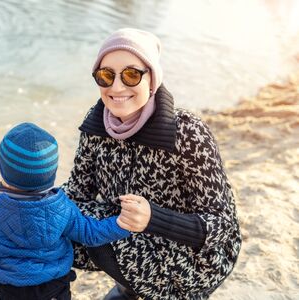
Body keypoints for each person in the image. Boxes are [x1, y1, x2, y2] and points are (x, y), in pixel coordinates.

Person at [62, 28, 242, 299]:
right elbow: (77, 195)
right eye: (106, 75)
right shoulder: (96, 123)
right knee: (47, 223)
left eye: (131, 74)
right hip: (125, 235)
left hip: (194, 256)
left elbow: (222, 226)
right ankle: (125, 288)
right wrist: (26, 200)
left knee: (95, 223)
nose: (117, 87)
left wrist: (154, 218)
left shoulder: (187, 132)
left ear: (152, 79)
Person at [0, 122, 138, 300]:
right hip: (55, 284)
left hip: (12, 287)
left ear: (2, 169)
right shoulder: (62, 207)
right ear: (51, 173)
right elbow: (90, 233)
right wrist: (121, 224)